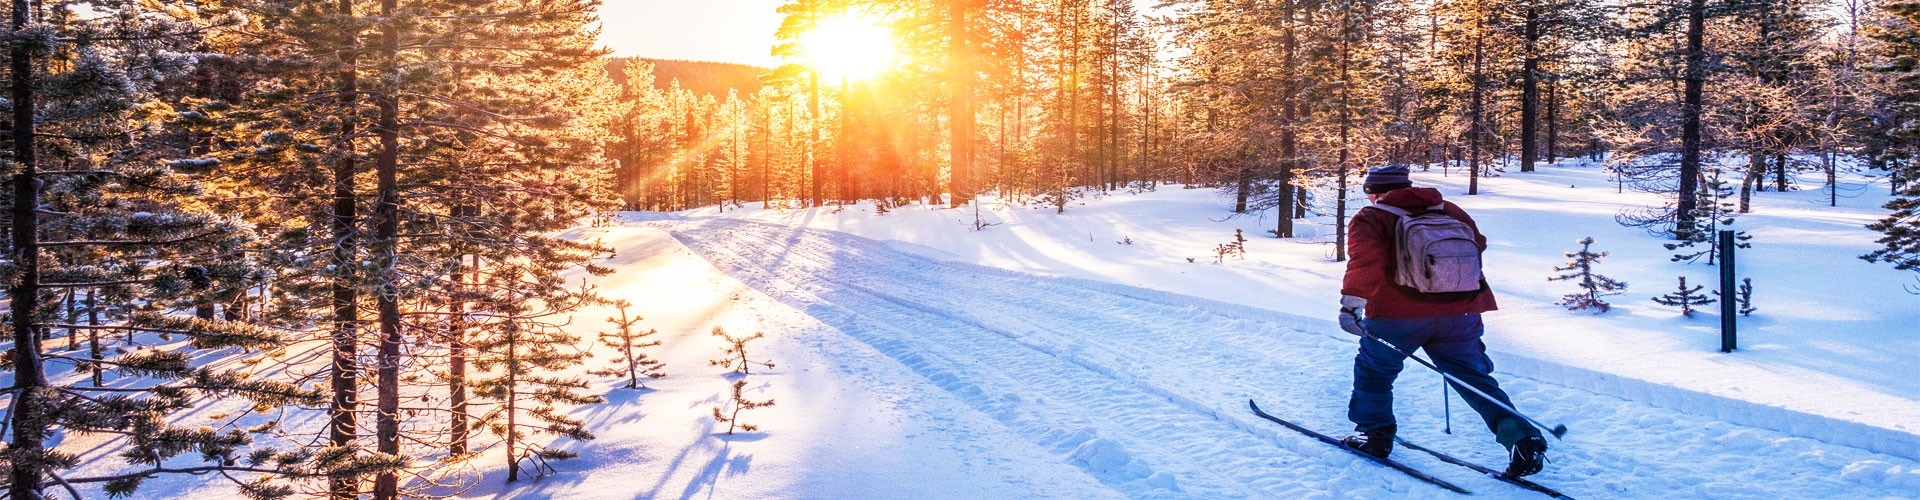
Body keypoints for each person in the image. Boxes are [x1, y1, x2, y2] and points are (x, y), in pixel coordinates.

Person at [1336, 165, 1548, 477]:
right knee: (1473, 378)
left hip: (1397, 315)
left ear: (1374, 192)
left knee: (1375, 374)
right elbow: (1478, 243)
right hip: (1460, 313)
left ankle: (1374, 436)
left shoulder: (1372, 217)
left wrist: (1352, 304)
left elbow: (1366, 261)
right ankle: (1522, 438)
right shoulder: (1450, 210)